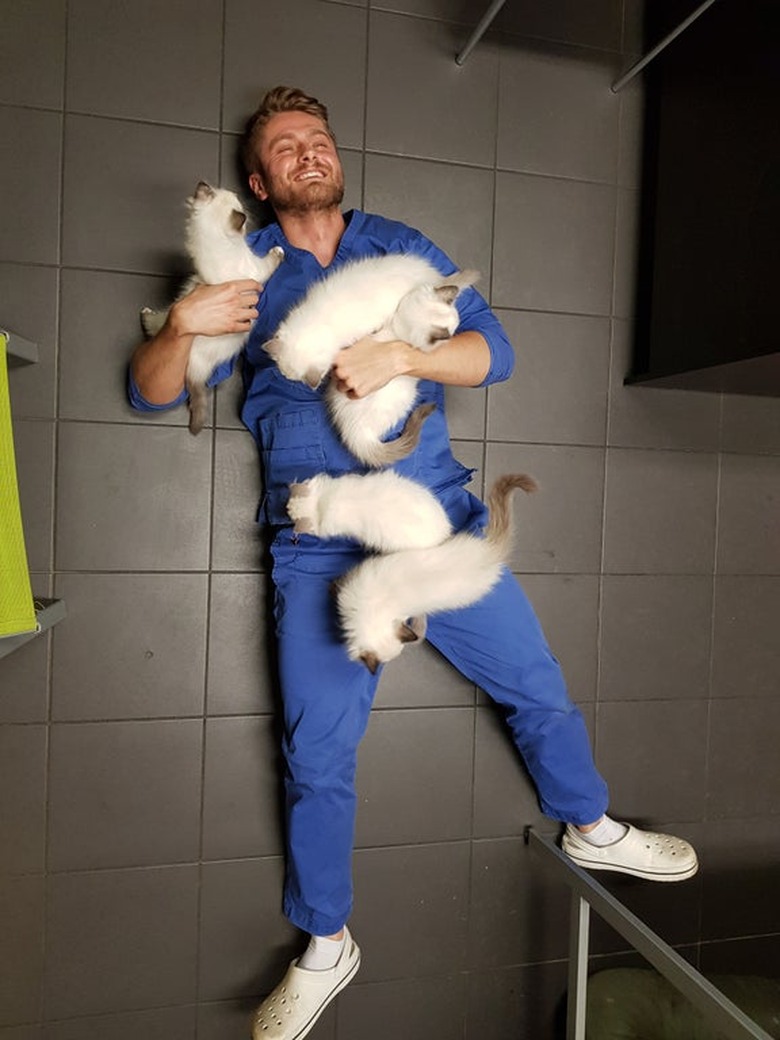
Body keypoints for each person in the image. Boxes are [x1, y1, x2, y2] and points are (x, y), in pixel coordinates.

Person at [129, 86, 698, 1040]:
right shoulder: (246, 272)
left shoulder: (401, 244)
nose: (309, 153)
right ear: (260, 181)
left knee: (536, 685)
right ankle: (325, 945)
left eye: (319, 139)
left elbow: (495, 352)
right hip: (315, 542)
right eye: (285, 147)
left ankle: (591, 827)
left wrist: (404, 358)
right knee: (315, 755)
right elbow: (150, 396)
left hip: (430, 522)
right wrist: (186, 323)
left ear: (335, 158)